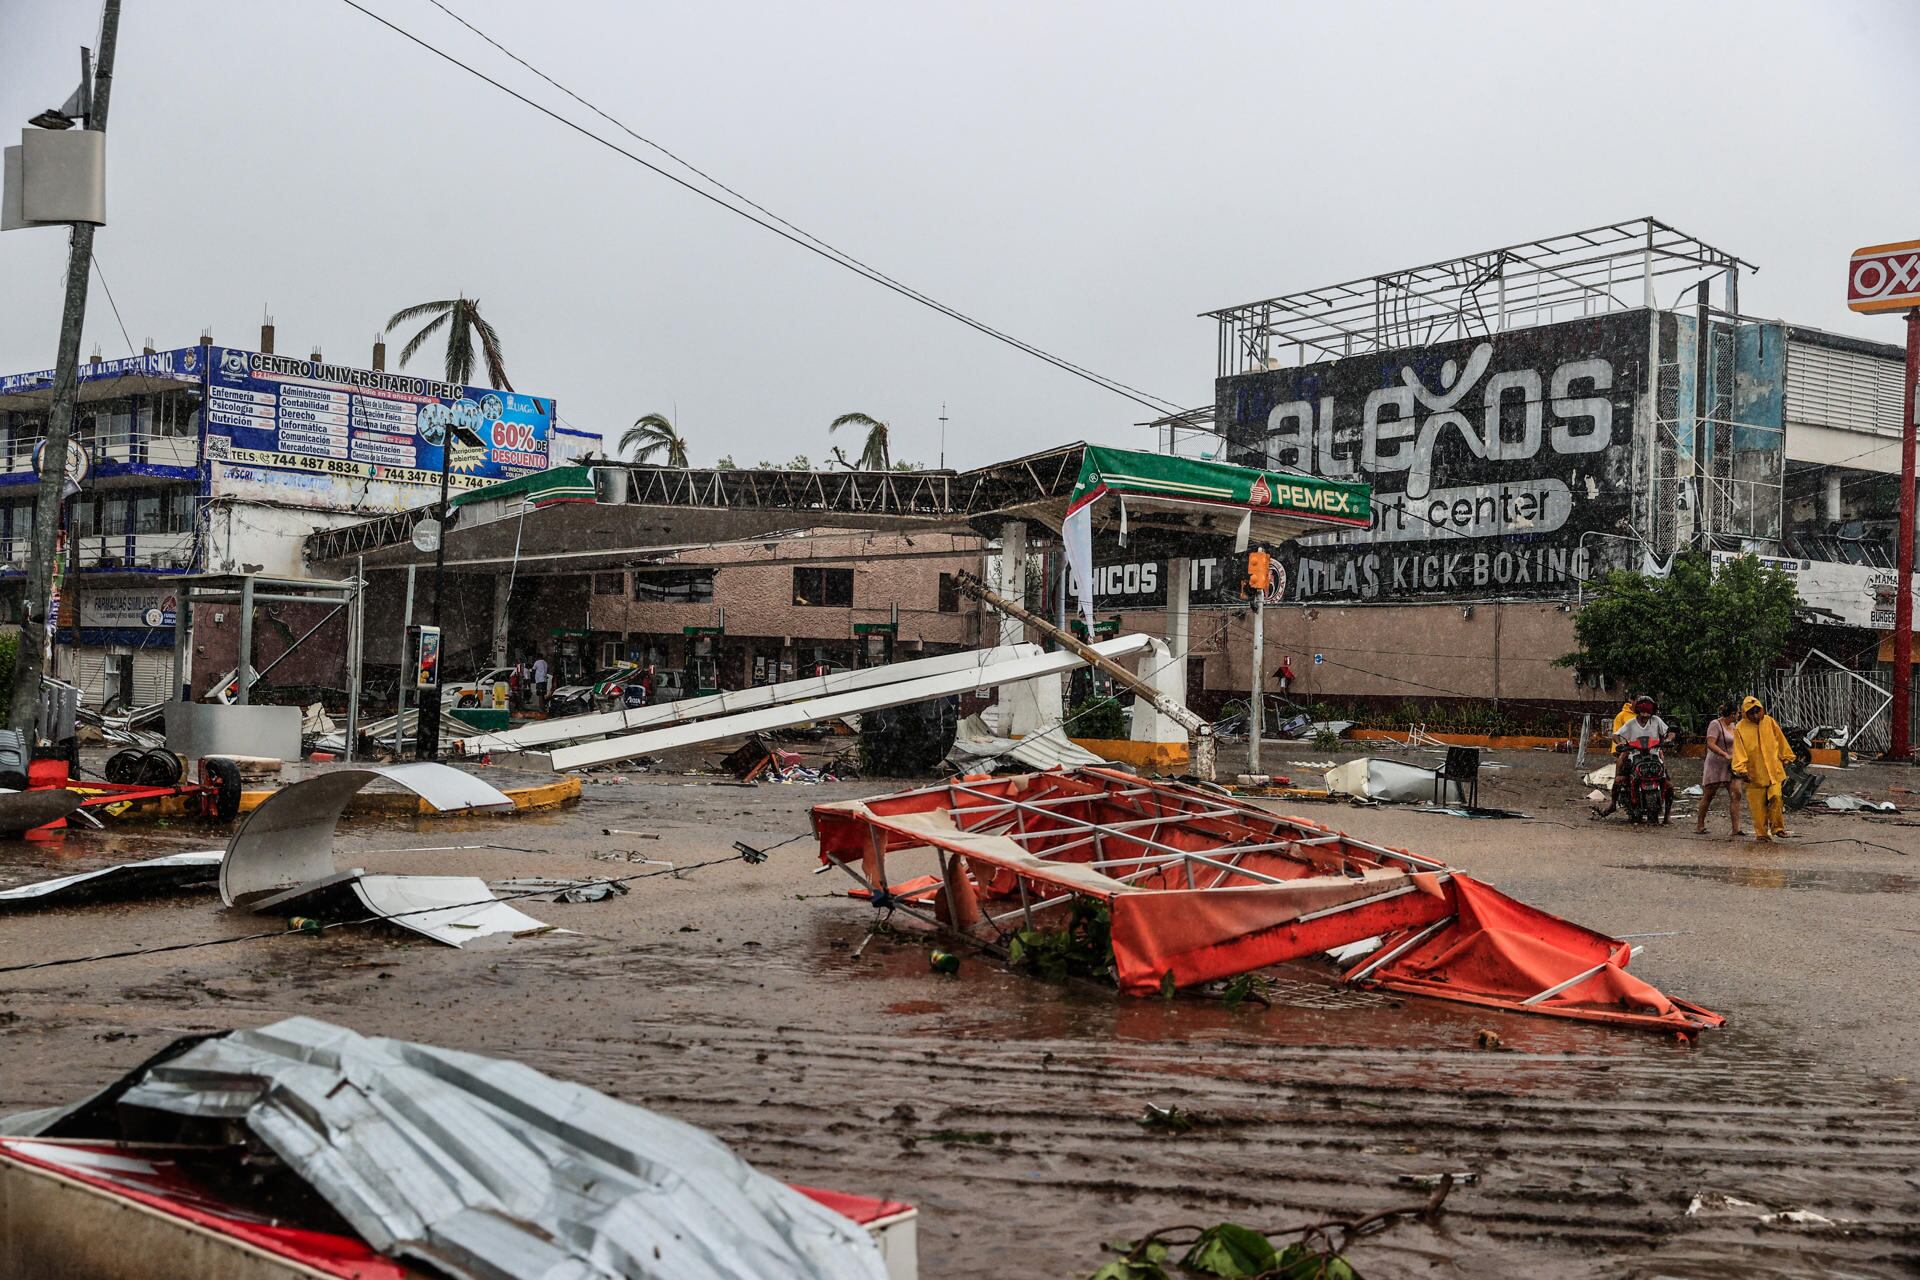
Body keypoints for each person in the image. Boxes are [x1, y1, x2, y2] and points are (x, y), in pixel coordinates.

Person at [1731, 695, 1796, 844]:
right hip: (1754, 773)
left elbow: (1780, 739)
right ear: (1745, 713)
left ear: (1761, 710)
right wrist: (1742, 770)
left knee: (1776, 797)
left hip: (1773, 769)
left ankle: (1777, 828)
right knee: (1757, 807)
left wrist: (1786, 756)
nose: (1755, 715)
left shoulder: (1769, 722)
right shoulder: (1740, 728)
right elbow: (1739, 751)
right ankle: (1761, 833)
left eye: (1757, 711)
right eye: (1751, 713)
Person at [1593, 694, 1668, 819]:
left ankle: (1667, 815)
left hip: (1654, 756)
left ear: (1652, 711)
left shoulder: (1657, 721)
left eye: (1647, 711)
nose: (1645, 715)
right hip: (1634, 755)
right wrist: (1620, 742)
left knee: (1668, 783)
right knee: (1618, 780)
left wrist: (1669, 739)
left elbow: (1668, 731)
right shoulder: (1630, 723)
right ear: (1638, 710)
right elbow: (1616, 735)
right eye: (1642, 711)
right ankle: (1613, 803)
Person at [1695, 703, 1743, 837]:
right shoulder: (1715, 724)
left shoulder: (1734, 727)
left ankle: (1736, 828)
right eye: (1737, 713)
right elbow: (1710, 743)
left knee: (1736, 794)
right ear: (1732, 713)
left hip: (1731, 765)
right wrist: (1724, 754)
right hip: (1716, 763)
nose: (1739, 715)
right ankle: (1700, 824)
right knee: (1709, 794)